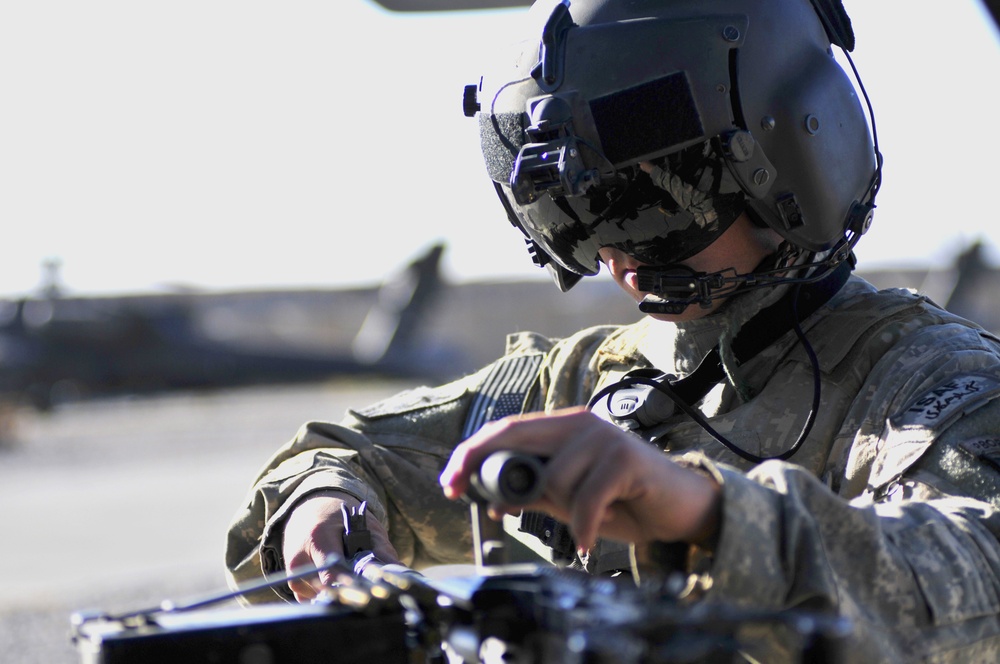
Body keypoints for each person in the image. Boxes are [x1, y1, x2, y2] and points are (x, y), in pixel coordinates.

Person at [225, 0, 1000, 660]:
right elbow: (347, 452)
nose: (619, 257)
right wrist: (326, 513)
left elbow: (970, 579)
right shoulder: (575, 383)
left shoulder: (928, 381)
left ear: (797, 153)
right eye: (578, 219)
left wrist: (705, 518)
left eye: (652, 208)